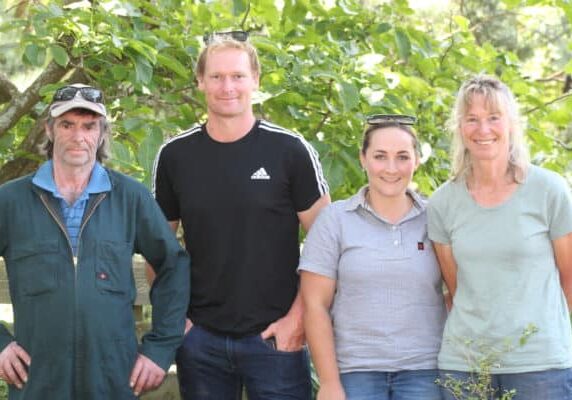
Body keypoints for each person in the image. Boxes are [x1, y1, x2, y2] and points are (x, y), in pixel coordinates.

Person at [151, 31, 330, 400]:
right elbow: (158, 247)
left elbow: (328, 245)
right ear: (200, 81)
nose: (227, 86)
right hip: (200, 340)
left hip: (276, 340)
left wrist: (298, 320)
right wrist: (177, 320)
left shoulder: (291, 150)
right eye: (216, 76)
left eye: (237, 76)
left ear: (256, 81)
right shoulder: (175, 156)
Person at [0, 83, 190, 400]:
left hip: (114, 377)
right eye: (67, 125)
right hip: (35, 378)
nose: (78, 136)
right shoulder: (11, 201)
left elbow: (174, 266)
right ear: (49, 130)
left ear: (101, 133)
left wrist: (159, 348)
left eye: (89, 126)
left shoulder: (131, 198)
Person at [427, 74, 572, 399]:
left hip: (539, 366)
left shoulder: (549, 190)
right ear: (460, 128)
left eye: (494, 118)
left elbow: (569, 277)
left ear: (511, 124)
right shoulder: (442, 203)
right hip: (465, 364)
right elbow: (456, 285)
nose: (483, 130)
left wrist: (540, 328)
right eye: (472, 120)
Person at [299, 115, 446, 400]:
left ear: (416, 160)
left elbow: (459, 290)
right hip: (355, 373)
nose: (391, 168)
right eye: (380, 156)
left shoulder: (437, 217)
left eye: (402, 157)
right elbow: (315, 304)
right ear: (363, 159)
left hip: (425, 373)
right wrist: (329, 383)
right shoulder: (335, 219)